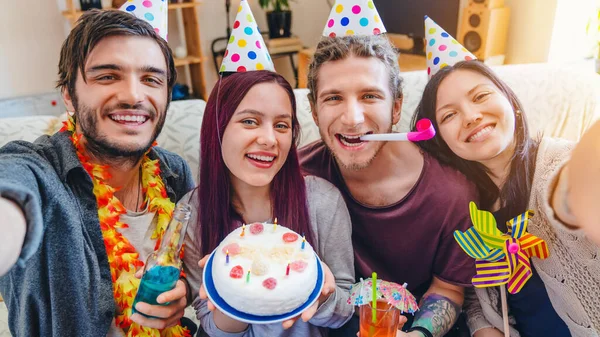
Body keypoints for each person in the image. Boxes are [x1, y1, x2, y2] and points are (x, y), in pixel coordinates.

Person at [0, 9, 197, 336]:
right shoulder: (41, 168)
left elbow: (190, 270)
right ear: (69, 95)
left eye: (151, 79)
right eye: (107, 76)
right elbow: (13, 187)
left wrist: (185, 293)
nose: (134, 96)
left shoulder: (173, 173)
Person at [299, 30, 479, 336]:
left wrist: (419, 334)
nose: (353, 119)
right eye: (333, 98)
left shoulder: (452, 192)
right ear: (314, 111)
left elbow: (448, 289)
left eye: (370, 96)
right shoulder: (295, 176)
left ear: (396, 107)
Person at [411, 59, 600, 336]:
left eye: (480, 96)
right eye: (449, 115)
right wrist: (483, 328)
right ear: (441, 141)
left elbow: (579, 195)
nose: (471, 116)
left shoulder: (562, 165)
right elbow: (477, 296)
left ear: (509, 99)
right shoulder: (465, 210)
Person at [181, 70, 355, 337]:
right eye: (250, 121)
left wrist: (319, 295)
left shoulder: (322, 201)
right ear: (217, 126)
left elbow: (345, 310)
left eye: (282, 126)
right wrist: (231, 296)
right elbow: (212, 327)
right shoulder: (193, 214)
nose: (269, 139)